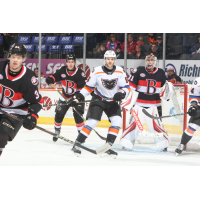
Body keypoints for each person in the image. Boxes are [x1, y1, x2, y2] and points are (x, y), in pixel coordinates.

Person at [71, 50, 130, 156]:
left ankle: (108, 146)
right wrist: (79, 96)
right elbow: (89, 87)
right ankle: (77, 144)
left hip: (112, 101)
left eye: (112, 59)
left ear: (114, 60)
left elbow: (126, 87)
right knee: (92, 122)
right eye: (108, 59)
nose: (110, 61)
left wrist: (121, 93)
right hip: (98, 99)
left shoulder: (120, 71)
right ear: (105, 60)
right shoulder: (97, 71)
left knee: (117, 121)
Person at [120, 53, 171, 151]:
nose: (150, 62)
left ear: (155, 62)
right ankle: (127, 143)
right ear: (145, 61)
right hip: (139, 104)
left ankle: (163, 144)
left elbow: (165, 89)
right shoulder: (139, 70)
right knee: (134, 125)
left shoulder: (160, 73)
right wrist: (129, 101)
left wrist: (167, 94)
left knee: (156, 126)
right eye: (148, 60)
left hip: (153, 105)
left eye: (151, 60)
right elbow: (131, 88)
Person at [0, 43, 43, 157]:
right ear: (9, 56)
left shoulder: (28, 78)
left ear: (24, 59)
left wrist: (32, 115)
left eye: (19, 58)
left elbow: (37, 102)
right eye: (13, 57)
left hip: (16, 112)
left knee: (1, 138)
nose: (15, 60)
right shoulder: (0, 66)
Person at [46, 54, 87, 142]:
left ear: (75, 62)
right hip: (64, 97)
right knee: (59, 114)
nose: (70, 64)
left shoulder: (80, 73)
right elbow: (55, 76)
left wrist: (76, 98)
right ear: (66, 62)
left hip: (77, 98)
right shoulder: (62, 70)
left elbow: (82, 89)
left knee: (78, 116)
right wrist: (50, 79)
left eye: (72, 62)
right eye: (69, 62)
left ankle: (80, 135)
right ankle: (57, 130)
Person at [175, 77, 200, 155]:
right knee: (191, 127)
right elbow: (194, 96)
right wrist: (193, 106)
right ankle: (182, 144)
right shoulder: (198, 81)